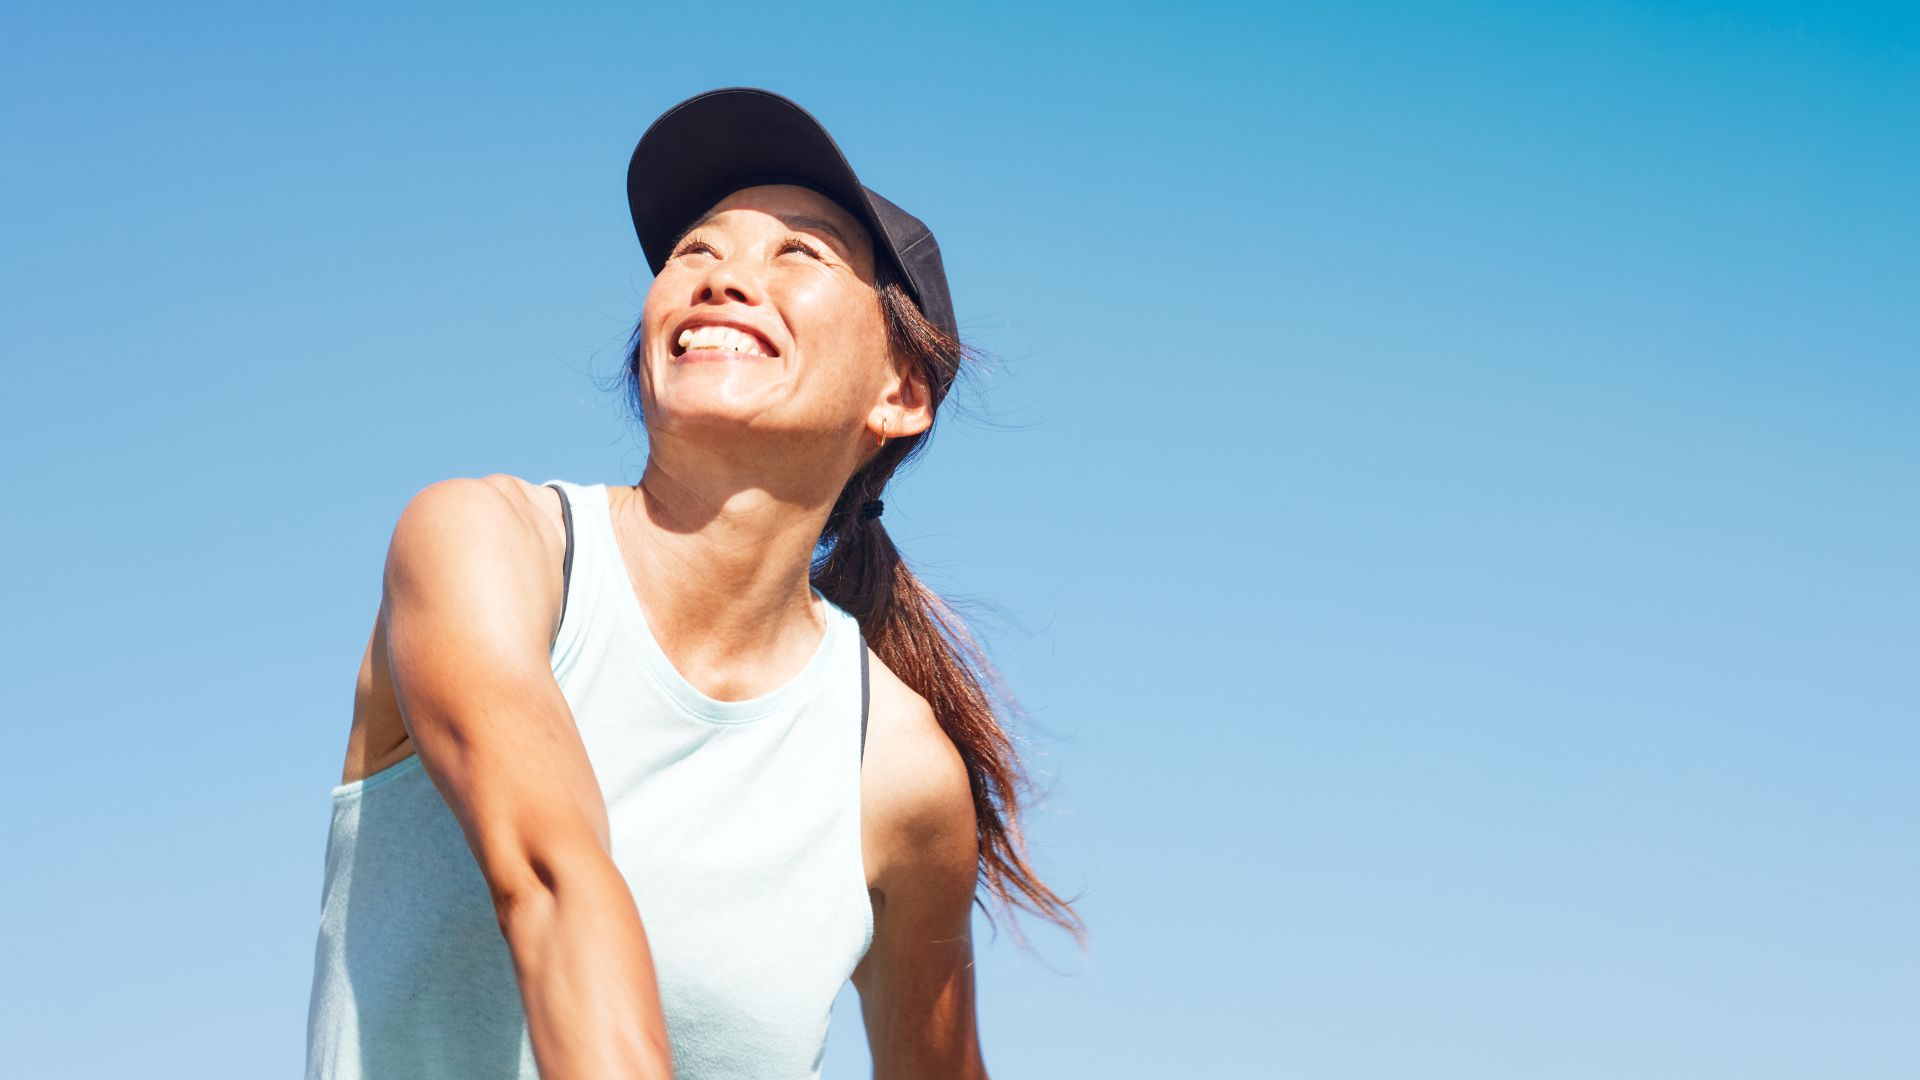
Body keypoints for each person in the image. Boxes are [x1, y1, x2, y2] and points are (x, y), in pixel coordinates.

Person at [304, 87, 1086, 1080]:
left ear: (901, 392)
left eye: (797, 253)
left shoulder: (894, 770)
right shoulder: (489, 545)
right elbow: (552, 881)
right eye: (695, 253)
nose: (721, 279)